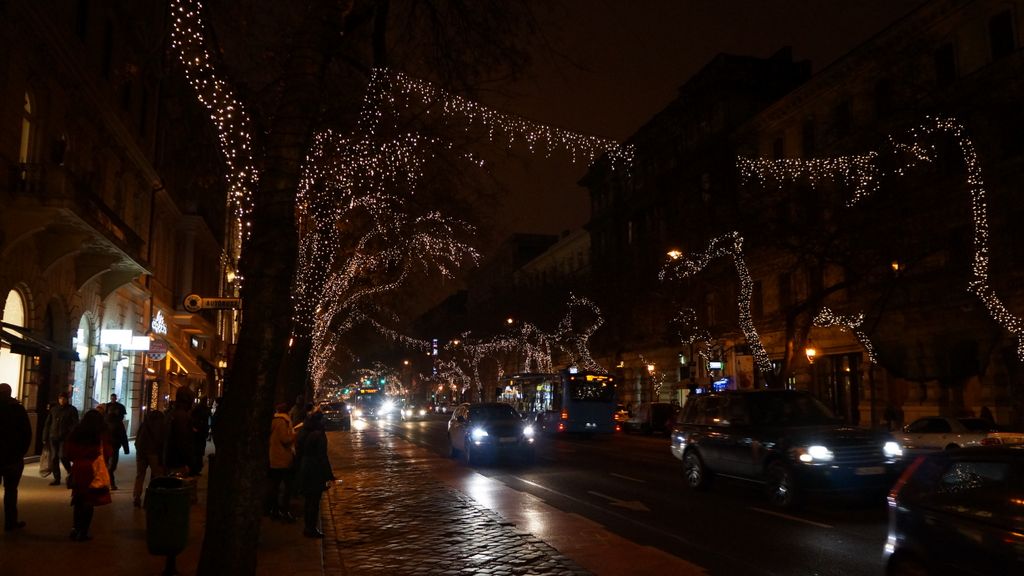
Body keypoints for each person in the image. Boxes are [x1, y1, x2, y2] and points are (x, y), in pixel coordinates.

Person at [64, 409, 113, 541]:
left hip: (78, 469)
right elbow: (107, 452)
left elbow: (68, 452)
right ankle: (83, 531)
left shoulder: (77, 432)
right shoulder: (100, 434)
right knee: (89, 500)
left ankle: (75, 528)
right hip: (93, 470)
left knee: (78, 499)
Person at [295, 411, 335, 538]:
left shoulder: (303, 431)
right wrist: (328, 475)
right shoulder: (318, 435)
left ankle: (308, 526)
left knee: (308, 500)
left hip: (304, 467)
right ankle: (311, 528)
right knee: (314, 500)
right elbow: (322, 456)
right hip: (315, 469)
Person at [0, 383, 31, 532]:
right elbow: (26, 433)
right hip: (12, 458)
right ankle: (10, 522)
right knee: (11, 491)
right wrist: (20, 453)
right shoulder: (17, 409)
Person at [265, 402, 296, 522]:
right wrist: (294, 435)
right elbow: (285, 439)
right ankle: (283, 511)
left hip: (273, 458)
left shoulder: (273, 421)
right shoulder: (283, 422)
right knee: (286, 487)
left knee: (275, 486)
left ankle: (274, 510)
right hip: (283, 458)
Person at [41, 391, 79, 486]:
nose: (62, 400)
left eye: (64, 398)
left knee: (62, 456)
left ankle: (70, 471)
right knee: (54, 458)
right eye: (60, 398)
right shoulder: (54, 409)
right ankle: (56, 478)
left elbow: (75, 424)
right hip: (53, 436)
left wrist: (70, 433)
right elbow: (48, 423)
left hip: (65, 437)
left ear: (67, 399)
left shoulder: (72, 410)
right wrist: (45, 436)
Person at [132, 408, 166, 508]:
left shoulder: (144, 424)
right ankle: (152, 498)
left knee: (140, 475)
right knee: (157, 476)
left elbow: (138, 438)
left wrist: (138, 448)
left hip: (141, 451)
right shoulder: (160, 425)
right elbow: (161, 440)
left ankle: (136, 497)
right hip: (153, 452)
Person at [164, 388, 194, 476]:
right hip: (178, 462)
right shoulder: (182, 416)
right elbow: (182, 441)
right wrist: (188, 462)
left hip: (170, 459)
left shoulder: (171, 413)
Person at [103, 393, 130, 490]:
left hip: (112, 446)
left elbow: (123, 436)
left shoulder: (116, 423)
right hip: (110, 446)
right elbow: (123, 436)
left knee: (110, 466)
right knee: (110, 466)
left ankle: (108, 482)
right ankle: (110, 482)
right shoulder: (107, 423)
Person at [189, 397, 211, 476]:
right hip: (199, 432)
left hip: (201, 432)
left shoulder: (202, 409)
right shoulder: (199, 409)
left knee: (199, 450)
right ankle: (195, 468)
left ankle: (197, 468)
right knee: (197, 450)